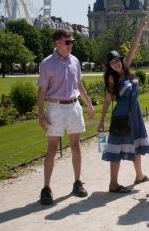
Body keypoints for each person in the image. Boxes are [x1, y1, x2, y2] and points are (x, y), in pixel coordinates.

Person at [37, 29, 95, 205]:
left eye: (72, 42)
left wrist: (89, 104)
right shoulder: (47, 64)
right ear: (58, 42)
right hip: (56, 107)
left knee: (76, 146)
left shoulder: (75, 61)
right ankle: (46, 188)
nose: (71, 45)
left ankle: (77, 182)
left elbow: (78, 84)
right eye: (68, 42)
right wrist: (40, 114)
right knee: (52, 149)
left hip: (74, 105)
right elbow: (42, 91)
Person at [97, 17, 149, 193]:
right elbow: (106, 101)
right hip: (122, 115)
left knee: (136, 144)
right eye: (112, 62)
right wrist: (101, 121)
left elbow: (134, 46)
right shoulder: (112, 79)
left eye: (117, 60)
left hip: (134, 113)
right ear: (109, 66)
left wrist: (141, 27)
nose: (116, 63)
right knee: (116, 148)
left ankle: (139, 175)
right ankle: (113, 183)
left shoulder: (126, 69)